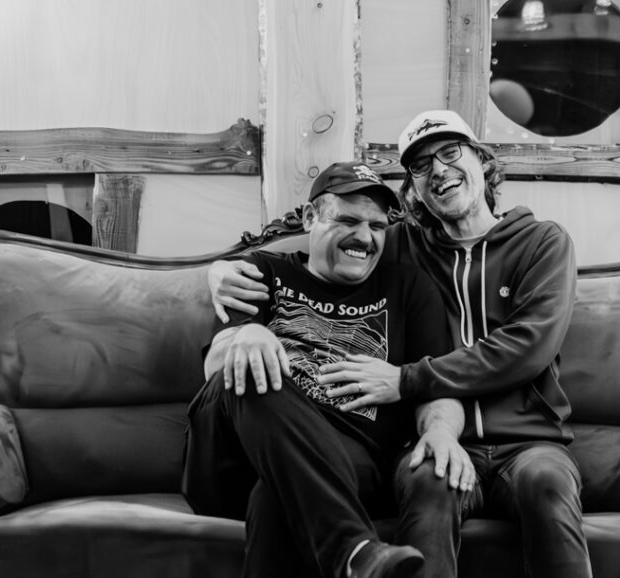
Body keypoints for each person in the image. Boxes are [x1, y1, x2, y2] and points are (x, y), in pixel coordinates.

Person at [207, 111, 590, 578]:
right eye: (421, 165)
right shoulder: (404, 243)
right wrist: (221, 269)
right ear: (414, 189)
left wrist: (406, 380)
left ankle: (354, 552)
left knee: (548, 484)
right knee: (427, 479)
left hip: (528, 441)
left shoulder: (542, 242)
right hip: (427, 437)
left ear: (482, 161)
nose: (439, 170)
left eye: (451, 152)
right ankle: (360, 555)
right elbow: (323, 238)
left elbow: (528, 347)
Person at [183, 160, 475, 578]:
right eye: (348, 221)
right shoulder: (263, 271)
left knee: (279, 492)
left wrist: (441, 432)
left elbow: (437, 386)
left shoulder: (409, 288)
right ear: (309, 217)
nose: (365, 237)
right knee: (251, 363)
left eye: (377, 226)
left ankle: (353, 553)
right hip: (234, 457)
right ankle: (350, 549)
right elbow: (215, 368)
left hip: (346, 464)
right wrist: (245, 335)